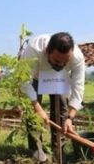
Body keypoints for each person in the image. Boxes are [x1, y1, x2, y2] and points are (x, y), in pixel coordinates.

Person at [20, 32, 85, 162]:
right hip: (35, 77)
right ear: (47, 51)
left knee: (62, 111)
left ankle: (58, 151)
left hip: (60, 77)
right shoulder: (34, 50)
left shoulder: (77, 58)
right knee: (33, 114)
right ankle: (36, 150)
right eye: (56, 60)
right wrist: (38, 108)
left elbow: (78, 88)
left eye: (65, 62)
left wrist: (70, 118)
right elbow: (24, 82)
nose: (60, 64)